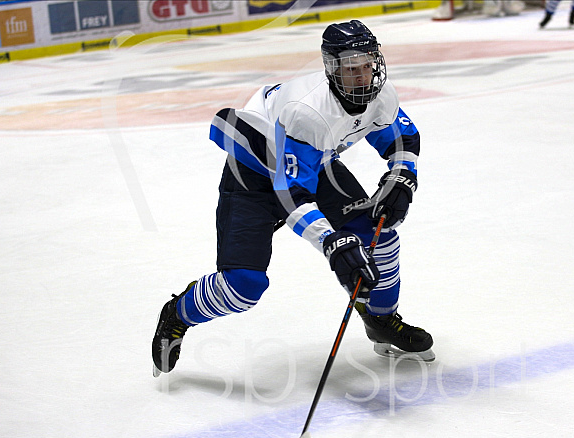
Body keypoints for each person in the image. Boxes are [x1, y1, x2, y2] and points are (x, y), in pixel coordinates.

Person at [152, 20, 435, 377]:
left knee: (379, 235)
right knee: (243, 287)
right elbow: (293, 195)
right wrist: (333, 242)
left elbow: (400, 140)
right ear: (332, 69)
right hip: (252, 176)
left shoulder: (382, 94)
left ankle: (380, 319)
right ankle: (177, 312)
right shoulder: (308, 111)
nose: (363, 76)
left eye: (368, 64)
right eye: (351, 67)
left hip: (314, 165)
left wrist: (402, 177)